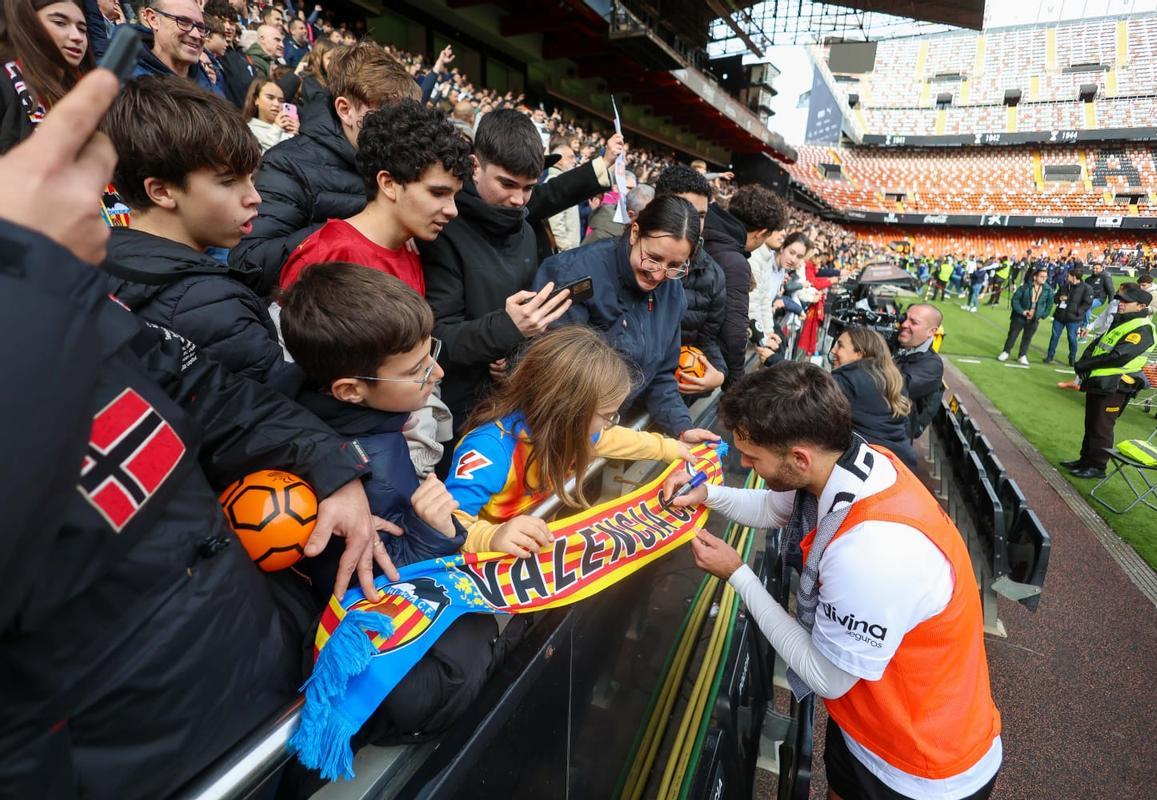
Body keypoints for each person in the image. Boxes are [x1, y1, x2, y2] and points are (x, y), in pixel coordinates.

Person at [0, 70, 395, 798]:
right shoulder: (41, 300)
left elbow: (213, 393)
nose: (92, 192)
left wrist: (329, 462)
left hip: (245, 659)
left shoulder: (89, 304)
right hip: (142, 746)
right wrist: (30, 278)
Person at [667, 362, 1001, 800]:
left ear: (799, 457)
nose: (745, 464)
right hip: (871, 728)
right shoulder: (852, 459)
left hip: (919, 767)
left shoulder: (871, 552)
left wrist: (738, 574)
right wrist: (708, 494)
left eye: (753, 458)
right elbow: (774, 508)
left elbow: (825, 678)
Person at [278, 262, 499, 738]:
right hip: (389, 684)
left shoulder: (307, 419)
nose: (437, 372)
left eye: (431, 354)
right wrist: (431, 532)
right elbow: (369, 587)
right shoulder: (361, 472)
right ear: (350, 391)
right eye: (417, 369)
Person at [420, 109, 617, 440]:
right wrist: (507, 329)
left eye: (528, 187)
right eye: (507, 184)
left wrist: (515, 353)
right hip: (459, 417)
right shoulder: (442, 232)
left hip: (515, 404)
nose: (518, 199)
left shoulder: (525, 228)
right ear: (474, 166)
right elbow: (435, 341)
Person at [100, 75, 299, 392]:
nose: (254, 196)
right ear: (162, 191)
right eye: (228, 181)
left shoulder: (104, 258)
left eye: (251, 178)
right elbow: (284, 412)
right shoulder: (211, 307)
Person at [446, 325, 716, 556]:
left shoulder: (574, 431)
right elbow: (448, 526)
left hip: (527, 553)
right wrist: (491, 538)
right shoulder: (489, 451)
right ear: (568, 410)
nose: (611, 423)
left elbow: (618, 439)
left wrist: (671, 448)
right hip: (484, 565)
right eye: (608, 415)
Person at [229, 42, 420, 292]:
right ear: (345, 109)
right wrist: (357, 227)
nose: (397, 129)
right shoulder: (289, 163)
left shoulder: (399, 163)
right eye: (385, 115)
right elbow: (249, 263)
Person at [534, 195, 699, 437]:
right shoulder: (573, 273)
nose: (658, 275)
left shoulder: (672, 293)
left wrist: (682, 427)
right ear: (634, 233)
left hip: (605, 429)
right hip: (553, 427)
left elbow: (660, 376)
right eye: (652, 259)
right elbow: (551, 372)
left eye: (674, 266)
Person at [278, 99, 471, 292]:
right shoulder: (327, 254)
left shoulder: (411, 250)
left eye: (454, 196)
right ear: (388, 183)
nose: (452, 210)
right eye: (437, 193)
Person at [1061, 286, 1157, 479]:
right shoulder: (1123, 321)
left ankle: (1097, 466)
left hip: (1116, 385)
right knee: (1092, 424)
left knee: (1102, 427)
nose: (1120, 304)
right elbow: (1099, 344)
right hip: (1101, 381)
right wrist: (1085, 364)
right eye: (1120, 301)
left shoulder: (1143, 328)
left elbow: (1118, 356)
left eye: (1125, 302)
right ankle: (1085, 459)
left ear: (1141, 306)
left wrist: (1085, 364)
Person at [704, 183, 788, 386]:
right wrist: (735, 385)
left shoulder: (704, 225)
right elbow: (734, 331)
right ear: (761, 233)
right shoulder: (736, 262)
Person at [655, 163, 727, 398]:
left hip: (672, 399)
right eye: (684, 210)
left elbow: (707, 340)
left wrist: (718, 374)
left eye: (701, 215)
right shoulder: (625, 260)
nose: (693, 223)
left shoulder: (713, 276)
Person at [0, 0, 92, 153]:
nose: (77, 37)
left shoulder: (84, 93)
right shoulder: (4, 84)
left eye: (82, 29)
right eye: (60, 23)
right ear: (27, 24)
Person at [830, 327, 919, 471]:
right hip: (901, 466)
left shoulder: (845, 380)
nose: (834, 350)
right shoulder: (894, 380)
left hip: (867, 471)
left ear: (859, 353)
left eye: (840, 345)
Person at [131, 0, 218, 92]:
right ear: (153, 19)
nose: (196, 35)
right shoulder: (127, 87)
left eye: (201, 28)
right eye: (183, 21)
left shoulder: (208, 85)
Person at [893, 303, 944, 439]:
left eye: (913, 322)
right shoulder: (899, 345)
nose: (904, 324)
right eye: (905, 318)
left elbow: (894, 388)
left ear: (931, 332)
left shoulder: (932, 366)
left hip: (893, 438)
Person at [997, 266, 1053, 365]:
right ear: (1035, 277)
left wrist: (1041, 315)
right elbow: (1015, 300)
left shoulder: (1048, 289)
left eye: (1045, 277)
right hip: (1019, 316)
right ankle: (1006, 352)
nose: (1044, 279)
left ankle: (1022, 355)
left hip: (1034, 318)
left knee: (1027, 338)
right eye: (1041, 276)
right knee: (1012, 335)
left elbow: (1049, 305)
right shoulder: (1025, 287)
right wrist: (1023, 312)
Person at [1043, 267, 1091, 365]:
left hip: (1073, 319)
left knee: (1072, 338)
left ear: (1074, 277)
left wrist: (1078, 312)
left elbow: (1087, 303)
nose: (1066, 277)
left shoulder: (1086, 288)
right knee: (1054, 337)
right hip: (1060, 316)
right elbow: (1055, 298)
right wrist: (1059, 298)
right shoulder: (1065, 286)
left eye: (1068, 275)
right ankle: (1049, 356)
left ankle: (1072, 359)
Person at [545, 135, 581, 251]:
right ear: (559, 160)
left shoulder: (563, 182)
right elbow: (556, 224)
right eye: (571, 157)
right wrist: (567, 249)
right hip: (563, 253)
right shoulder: (555, 182)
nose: (575, 161)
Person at [241, 77, 297, 152]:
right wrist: (277, 128)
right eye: (270, 98)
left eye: (281, 101)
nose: (277, 104)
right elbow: (266, 157)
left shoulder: (288, 128)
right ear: (256, 99)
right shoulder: (247, 130)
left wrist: (298, 136)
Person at [1082, 261, 1115, 334]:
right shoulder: (1088, 279)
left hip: (1099, 299)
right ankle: (1082, 323)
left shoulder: (1105, 277)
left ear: (1101, 268)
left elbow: (1111, 290)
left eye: (1097, 268)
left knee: (1087, 306)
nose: (1095, 270)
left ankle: (1085, 326)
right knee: (1085, 308)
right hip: (1088, 298)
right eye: (1094, 268)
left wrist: (1111, 302)